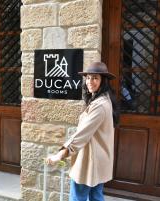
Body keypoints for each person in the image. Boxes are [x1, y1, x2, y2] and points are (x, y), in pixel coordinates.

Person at [46, 62, 119, 201]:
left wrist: (61, 154)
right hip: (99, 160)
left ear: (103, 81)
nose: (90, 81)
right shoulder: (101, 99)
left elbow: (82, 134)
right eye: (88, 78)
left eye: (95, 78)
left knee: (77, 197)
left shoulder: (100, 105)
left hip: (89, 161)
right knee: (96, 197)